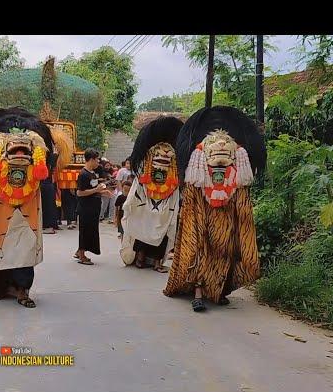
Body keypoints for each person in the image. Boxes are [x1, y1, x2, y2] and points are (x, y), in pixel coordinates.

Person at [164, 106, 266, 312]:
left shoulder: (236, 175)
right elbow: (190, 203)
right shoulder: (197, 176)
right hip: (202, 222)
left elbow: (243, 202)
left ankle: (217, 290)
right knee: (199, 252)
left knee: (223, 254)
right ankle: (198, 293)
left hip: (225, 223)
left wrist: (242, 222)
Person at [0, 107, 69, 308]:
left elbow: (44, 169)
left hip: (28, 205)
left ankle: (22, 290)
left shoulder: (37, 150)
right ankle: (0, 288)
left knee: (25, 247)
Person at [120, 116, 183, 273]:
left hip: (155, 197)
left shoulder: (150, 154)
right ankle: (154, 262)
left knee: (147, 225)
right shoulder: (168, 155)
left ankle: (143, 259)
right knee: (157, 227)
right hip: (157, 198)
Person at [74, 148, 113, 265]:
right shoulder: (83, 174)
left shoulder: (93, 174)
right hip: (86, 208)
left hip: (94, 207)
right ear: (90, 160)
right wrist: (96, 190)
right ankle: (81, 255)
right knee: (85, 231)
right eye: (96, 160)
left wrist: (102, 192)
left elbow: (92, 190)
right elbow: (80, 192)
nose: (98, 163)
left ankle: (80, 251)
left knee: (91, 231)